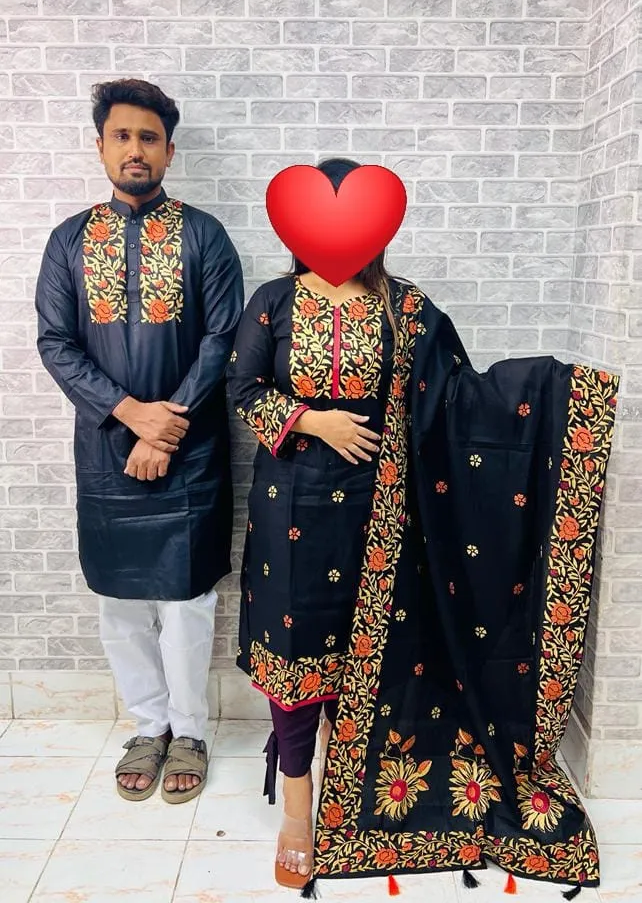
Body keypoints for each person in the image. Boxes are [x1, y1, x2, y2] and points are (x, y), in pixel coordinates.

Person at [227, 157, 618, 895]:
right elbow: (242, 388)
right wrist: (312, 420)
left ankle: (352, 793)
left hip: (385, 518)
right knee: (298, 659)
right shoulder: (274, 301)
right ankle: (300, 812)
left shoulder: (404, 307)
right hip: (291, 513)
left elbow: (461, 397)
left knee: (371, 659)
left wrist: (554, 392)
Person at [35, 78, 244, 804]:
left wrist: (167, 423)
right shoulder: (69, 241)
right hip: (106, 451)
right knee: (119, 600)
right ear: (100, 147)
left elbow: (222, 338)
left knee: (187, 599)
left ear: (169, 152)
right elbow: (56, 343)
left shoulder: (204, 235)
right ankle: (148, 726)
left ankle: (190, 731)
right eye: (121, 136)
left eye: (148, 138)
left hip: (190, 450)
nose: (135, 149)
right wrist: (131, 414)